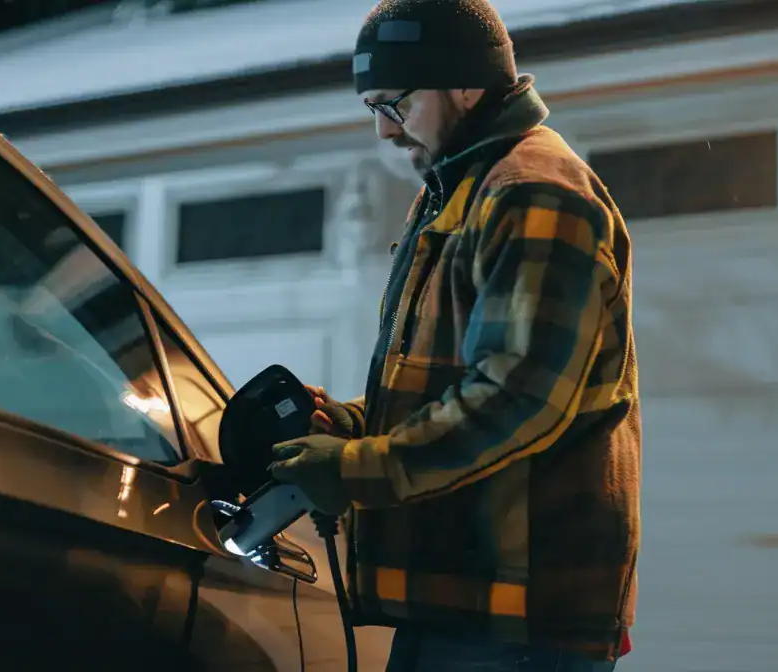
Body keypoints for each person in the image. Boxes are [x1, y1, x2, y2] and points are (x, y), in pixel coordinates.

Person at [262, 1, 642, 670]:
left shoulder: (534, 192)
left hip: (520, 619)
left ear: (465, 83)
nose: (385, 130)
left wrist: (356, 470)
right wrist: (357, 424)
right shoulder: (459, 191)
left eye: (397, 104)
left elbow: (519, 398)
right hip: (464, 602)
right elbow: (454, 381)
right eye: (374, 108)